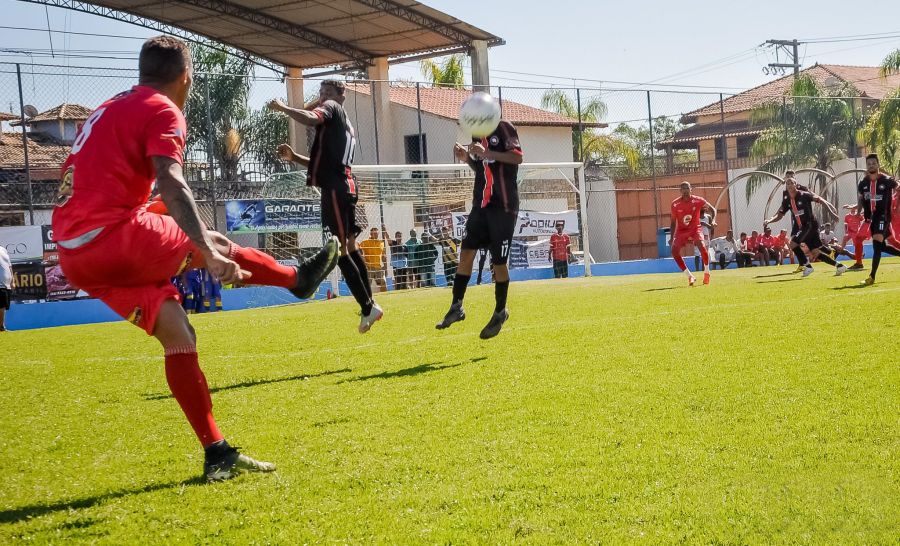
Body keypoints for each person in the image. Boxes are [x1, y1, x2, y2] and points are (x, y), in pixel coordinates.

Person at [51, 36, 340, 482]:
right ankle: (295, 279)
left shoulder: (110, 105)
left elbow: (118, 183)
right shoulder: (163, 109)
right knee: (215, 243)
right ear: (186, 76)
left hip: (74, 251)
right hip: (109, 235)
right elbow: (170, 178)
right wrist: (203, 249)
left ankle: (217, 454)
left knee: (177, 330)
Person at [269, 79, 383, 332]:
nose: (323, 97)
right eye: (320, 93)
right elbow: (326, 161)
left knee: (339, 249)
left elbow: (312, 118)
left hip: (335, 189)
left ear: (341, 96)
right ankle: (370, 303)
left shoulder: (331, 108)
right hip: (346, 186)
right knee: (350, 247)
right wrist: (294, 157)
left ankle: (368, 307)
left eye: (328, 92)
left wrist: (283, 107)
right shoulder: (345, 124)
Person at [436, 118, 524, 339]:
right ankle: (457, 306)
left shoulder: (504, 127)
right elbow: (482, 169)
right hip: (481, 205)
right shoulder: (477, 135)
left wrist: (487, 153)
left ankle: (500, 311)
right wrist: (467, 158)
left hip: (503, 206)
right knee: (465, 254)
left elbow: (517, 157)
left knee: (499, 262)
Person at [764, 177, 846, 277]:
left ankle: (807, 266)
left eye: (791, 183)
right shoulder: (787, 200)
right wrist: (769, 220)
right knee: (815, 252)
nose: (789, 185)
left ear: (795, 184)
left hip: (809, 225)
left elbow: (820, 200)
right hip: (803, 227)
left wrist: (831, 213)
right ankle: (840, 266)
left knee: (793, 244)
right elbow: (780, 215)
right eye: (788, 183)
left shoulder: (804, 195)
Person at [857, 154, 900, 285]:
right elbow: (861, 199)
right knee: (882, 247)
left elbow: (899, 187)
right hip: (871, 219)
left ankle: (872, 277)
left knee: (876, 246)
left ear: (878, 164)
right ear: (867, 166)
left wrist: (897, 206)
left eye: (873, 163)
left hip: (883, 217)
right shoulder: (863, 183)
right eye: (869, 163)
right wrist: (858, 212)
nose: (871, 165)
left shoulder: (886, 180)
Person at [668, 181, 716, 286]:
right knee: (674, 251)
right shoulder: (675, 204)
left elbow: (713, 209)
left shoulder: (698, 200)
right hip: (681, 231)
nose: (685, 190)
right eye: (683, 188)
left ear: (691, 189)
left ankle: (707, 272)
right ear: (680, 191)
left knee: (702, 246)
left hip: (695, 229)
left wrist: (713, 220)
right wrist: (672, 238)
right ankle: (690, 276)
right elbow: (672, 222)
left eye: (687, 188)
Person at [358, 227, 387, 293]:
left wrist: (385, 266)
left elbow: (383, 255)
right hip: (369, 268)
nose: (376, 235)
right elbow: (358, 248)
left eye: (377, 233)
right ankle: (366, 299)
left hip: (378, 267)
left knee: (383, 283)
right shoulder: (365, 242)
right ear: (370, 234)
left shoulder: (381, 243)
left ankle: (385, 297)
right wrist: (363, 261)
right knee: (366, 285)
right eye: (374, 233)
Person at [841, 204, 868, 270]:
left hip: (856, 232)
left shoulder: (858, 215)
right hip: (850, 232)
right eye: (852, 208)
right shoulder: (847, 216)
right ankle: (841, 250)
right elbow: (846, 224)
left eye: (854, 208)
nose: (853, 209)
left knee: (857, 244)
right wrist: (846, 232)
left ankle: (859, 257)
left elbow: (863, 221)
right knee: (845, 238)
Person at [0, 245, 12, 331]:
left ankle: (2, 326)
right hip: (0, 284)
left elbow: (9, 266)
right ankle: (1, 327)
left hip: (7, 285)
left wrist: (13, 280)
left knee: (4, 307)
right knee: (1, 306)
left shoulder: (3, 249)